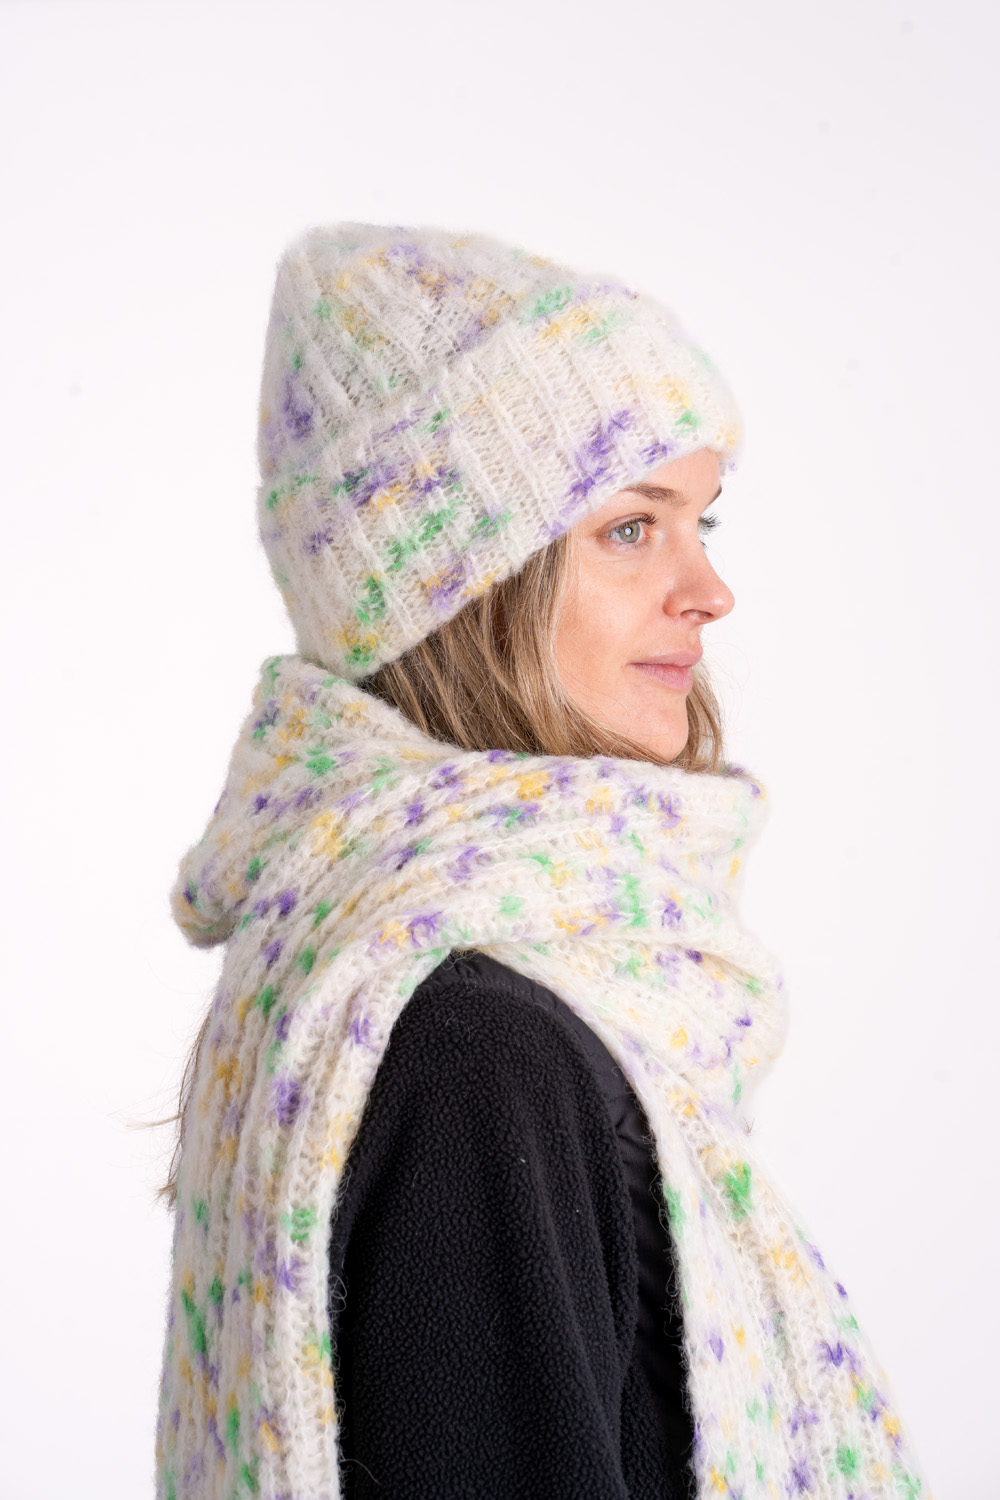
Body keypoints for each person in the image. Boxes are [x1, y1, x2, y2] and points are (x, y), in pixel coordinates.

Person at [153, 224, 932, 1500]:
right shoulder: (476, 1047)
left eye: (700, 522)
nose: (708, 589)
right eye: (631, 528)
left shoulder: (375, 957)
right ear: (461, 587)